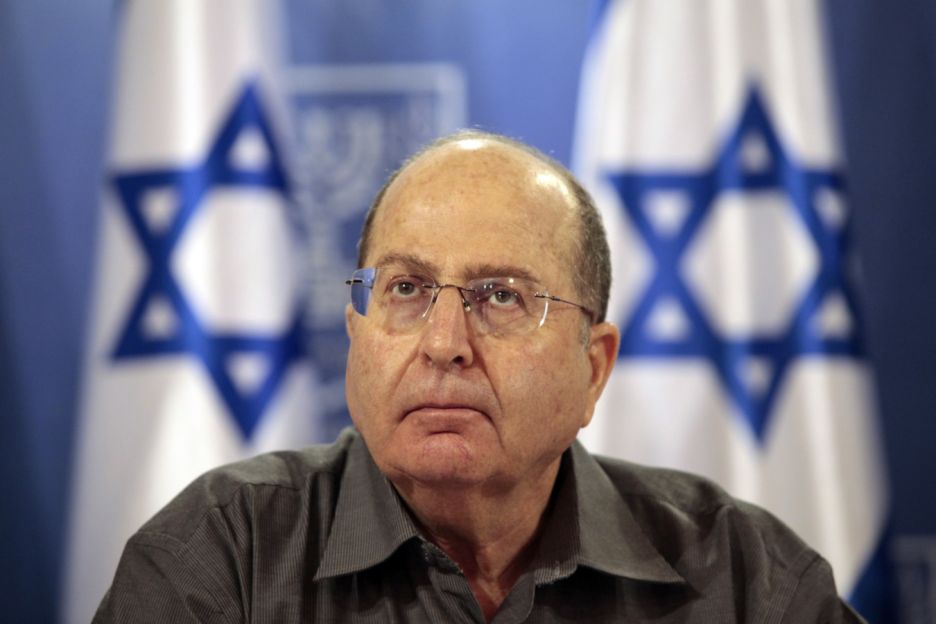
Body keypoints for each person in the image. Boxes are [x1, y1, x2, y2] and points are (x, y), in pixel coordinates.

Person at [94, 130, 865, 623]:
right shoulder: (223, 556)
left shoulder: (742, 579)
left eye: (501, 297)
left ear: (592, 368)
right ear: (356, 331)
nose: (444, 344)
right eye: (405, 289)